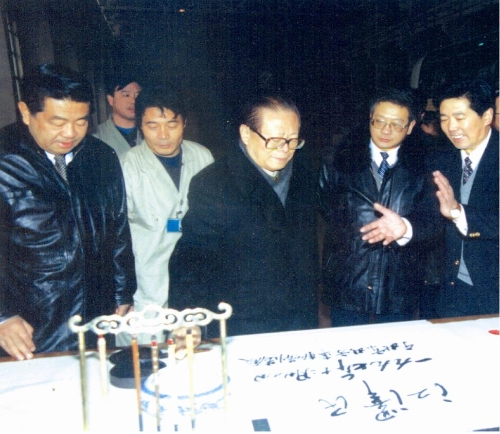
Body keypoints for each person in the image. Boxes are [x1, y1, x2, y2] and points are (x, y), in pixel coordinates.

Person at [0, 64, 136, 361]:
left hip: (97, 317)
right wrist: (3, 316)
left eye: (81, 121)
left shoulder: (101, 157)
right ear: (25, 112)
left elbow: (117, 229)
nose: (71, 133)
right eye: (58, 121)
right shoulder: (4, 161)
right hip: (31, 326)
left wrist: (123, 291)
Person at [168, 95, 319, 337]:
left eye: (293, 141)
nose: (284, 150)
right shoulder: (213, 183)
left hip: (300, 319)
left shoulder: (305, 172)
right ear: (246, 134)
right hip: (244, 322)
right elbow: (192, 257)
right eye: (274, 140)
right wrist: (188, 316)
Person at [318, 88, 440, 327]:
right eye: (380, 121)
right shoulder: (338, 160)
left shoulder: (425, 167)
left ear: (411, 126)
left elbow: (432, 222)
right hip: (348, 282)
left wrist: (406, 229)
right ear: (370, 119)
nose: (386, 130)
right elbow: (326, 206)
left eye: (396, 124)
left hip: (399, 286)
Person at [118, 87, 213, 344]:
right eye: (152, 126)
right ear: (140, 126)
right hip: (147, 288)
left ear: (184, 123)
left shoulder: (203, 157)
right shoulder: (126, 167)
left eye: (172, 125)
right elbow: (116, 238)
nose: (163, 135)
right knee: (146, 358)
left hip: (195, 285)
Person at [432, 79, 498, 317]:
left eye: (460, 118)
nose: (451, 127)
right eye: (444, 119)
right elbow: (430, 216)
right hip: (452, 291)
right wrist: (405, 227)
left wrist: (459, 213)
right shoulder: (440, 159)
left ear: (487, 116)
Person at [93, 72, 142, 156]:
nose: (133, 101)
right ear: (111, 100)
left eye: (138, 95)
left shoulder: (151, 131)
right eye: (126, 95)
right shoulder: (96, 136)